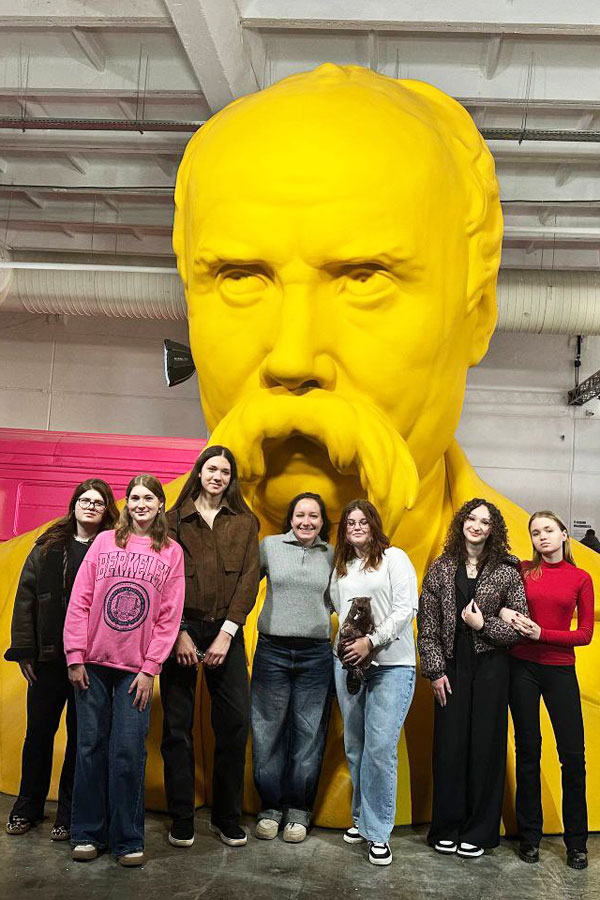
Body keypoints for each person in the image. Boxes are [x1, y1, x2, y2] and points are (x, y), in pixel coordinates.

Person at [64, 474, 184, 866]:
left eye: (149, 497)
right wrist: (74, 655)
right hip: (92, 665)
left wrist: (150, 668)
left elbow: (169, 617)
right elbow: (80, 601)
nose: (141, 504)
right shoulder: (103, 542)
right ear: (126, 503)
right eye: (134, 497)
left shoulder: (171, 552)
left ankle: (128, 839)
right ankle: (87, 832)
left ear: (161, 503)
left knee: (128, 752)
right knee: (89, 748)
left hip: (136, 671)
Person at [4, 479, 118, 839]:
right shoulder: (48, 545)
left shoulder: (115, 548)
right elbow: (25, 599)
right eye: (85, 500)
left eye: (98, 502)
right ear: (74, 504)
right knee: (39, 734)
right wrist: (25, 649)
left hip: (91, 662)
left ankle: (69, 813)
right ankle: (27, 807)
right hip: (49, 658)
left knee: (82, 739)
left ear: (107, 509)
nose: (90, 506)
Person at [160, 445, 259, 849]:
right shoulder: (171, 521)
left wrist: (227, 634)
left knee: (234, 726)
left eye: (225, 471)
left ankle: (226, 818)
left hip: (226, 632)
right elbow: (164, 581)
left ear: (231, 479)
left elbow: (248, 581)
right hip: (179, 632)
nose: (218, 476)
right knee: (177, 728)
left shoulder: (246, 523)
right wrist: (179, 632)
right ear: (199, 472)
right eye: (211, 469)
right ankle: (182, 818)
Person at [417, 498, 527, 858]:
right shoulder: (441, 567)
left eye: (485, 521)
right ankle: (446, 826)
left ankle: (479, 832)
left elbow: (519, 629)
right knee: (449, 746)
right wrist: (435, 670)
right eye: (472, 518)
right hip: (450, 665)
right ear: (462, 522)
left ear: (494, 529)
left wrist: (484, 625)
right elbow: (427, 625)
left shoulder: (508, 570)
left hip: (492, 666)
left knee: (486, 746)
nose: (477, 526)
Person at [500, 510, 594, 870]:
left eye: (549, 530)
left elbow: (584, 634)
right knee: (528, 752)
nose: (542, 536)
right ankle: (530, 838)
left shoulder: (580, 578)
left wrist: (543, 634)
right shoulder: (522, 570)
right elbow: (497, 601)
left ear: (564, 534)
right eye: (536, 532)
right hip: (521, 668)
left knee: (573, 757)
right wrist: (506, 614)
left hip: (560, 671)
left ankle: (577, 843)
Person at [329, 499, 418, 867]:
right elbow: (339, 611)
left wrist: (372, 641)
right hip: (349, 666)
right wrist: (349, 648)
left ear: (374, 524)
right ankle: (362, 819)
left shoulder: (395, 558)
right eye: (350, 522)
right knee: (356, 746)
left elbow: (405, 609)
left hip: (392, 665)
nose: (356, 526)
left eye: (363, 521)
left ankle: (378, 833)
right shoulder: (342, 567)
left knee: (380, 748)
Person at [251, 492, 334, 843]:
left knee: (309, 734)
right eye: (300, 515)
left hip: (316, 654)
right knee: (266, 731)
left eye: (314, 516)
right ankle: (271, 807)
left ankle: (299, 810)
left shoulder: (332, 554)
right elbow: (244, 587)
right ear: (290, 518)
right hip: (272, 650)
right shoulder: (269, 547)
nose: (306, 522)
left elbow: (342, 597)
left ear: (322, 522)